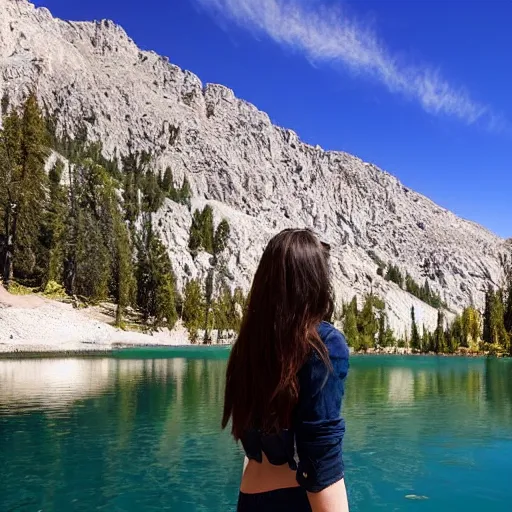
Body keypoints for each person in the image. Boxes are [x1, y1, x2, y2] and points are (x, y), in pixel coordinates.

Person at [222, 228, 350, 512]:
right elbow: (321, 461)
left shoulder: (249, 345)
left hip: (250, 497)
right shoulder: (323, 345)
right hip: (295, 500)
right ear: (316, 281)